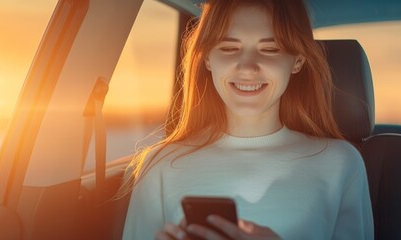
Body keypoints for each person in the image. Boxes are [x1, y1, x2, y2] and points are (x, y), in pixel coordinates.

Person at [113, 0, 374, 239]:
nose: (248, 67)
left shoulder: (341, 163)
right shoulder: (160, 165)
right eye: (229, 48)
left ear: (297, 61)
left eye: (270, 49)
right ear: (207, 59)